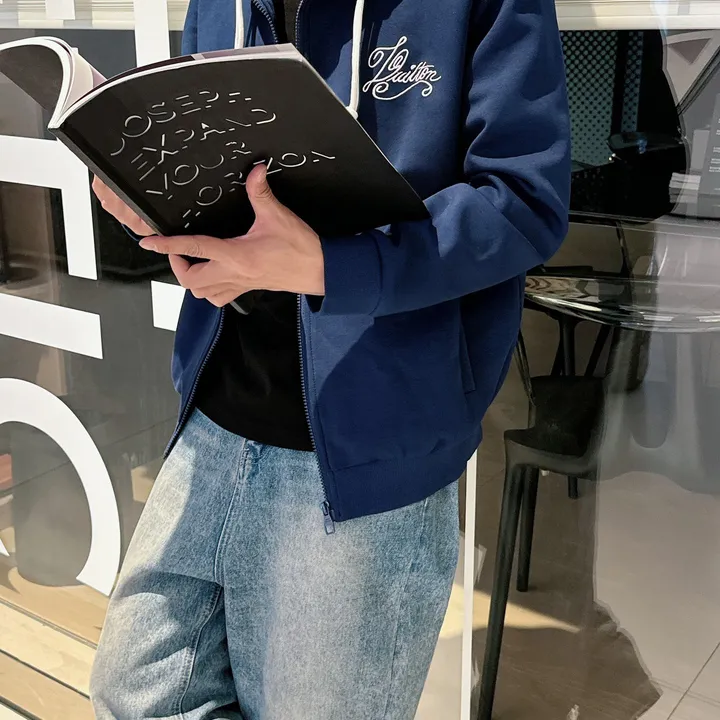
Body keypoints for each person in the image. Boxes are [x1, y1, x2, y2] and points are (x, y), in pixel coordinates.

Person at [89, 0, 571, 717]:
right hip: (213, 419)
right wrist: (155, 200)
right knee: (133, 693)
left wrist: (332, 265)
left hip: (368, 450)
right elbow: (228, 171)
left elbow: (526, 200)